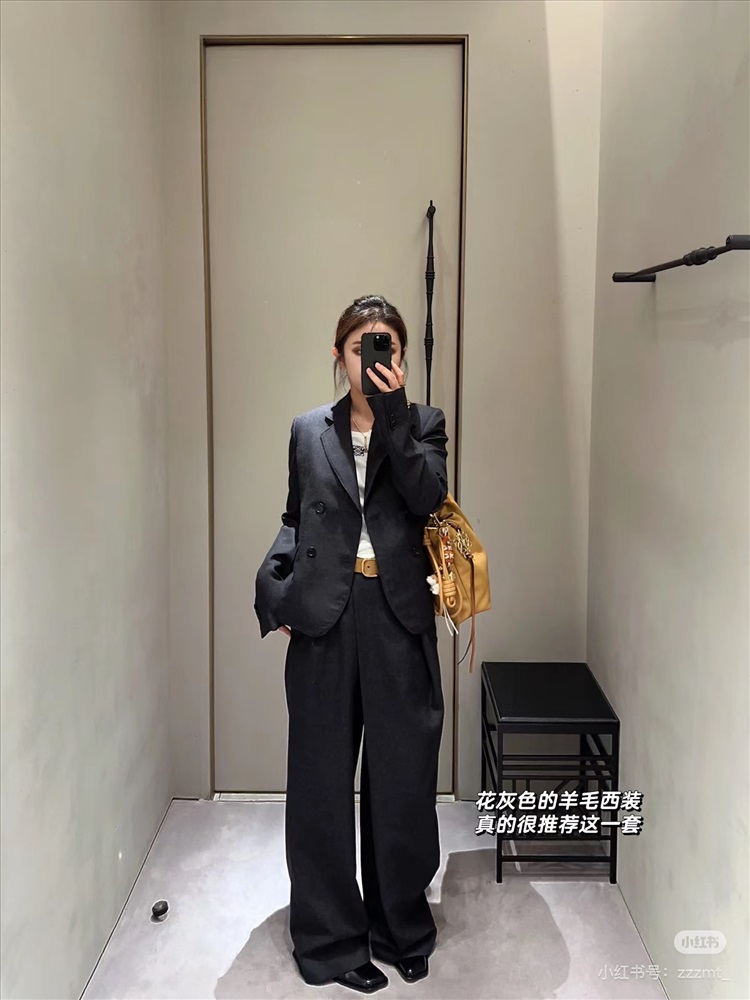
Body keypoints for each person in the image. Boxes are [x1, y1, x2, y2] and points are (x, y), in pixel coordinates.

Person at [254, 294, 449, 994]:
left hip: (398, 617)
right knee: (320, 783)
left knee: (402, 782)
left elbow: (429, 500)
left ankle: (401, 926)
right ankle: (331, 940)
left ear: (401, 356)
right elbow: (294, 518)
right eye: (362, 345)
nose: (374, 358)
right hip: (326, 622)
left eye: (386, 345)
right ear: (338, 355)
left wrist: (395, 421)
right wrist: (275, 588)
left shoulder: (425, 424)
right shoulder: (308, 431)